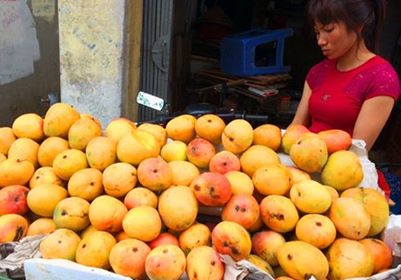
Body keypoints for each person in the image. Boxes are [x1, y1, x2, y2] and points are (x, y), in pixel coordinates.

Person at [291, 0, 401, 152]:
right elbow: (296, 127)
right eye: (317, 32)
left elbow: (357, 151)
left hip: (342, 169)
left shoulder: (382, 78)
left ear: (358, 26)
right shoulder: (317, 72)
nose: (320, 41)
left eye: (328, 30)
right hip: (302, 161)